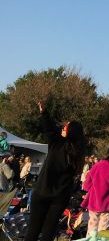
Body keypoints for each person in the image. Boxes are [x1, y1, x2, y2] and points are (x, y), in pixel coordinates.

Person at [24, 101, 88, 241]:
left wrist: (44, 112)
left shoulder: (57, 144)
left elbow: (49, 128)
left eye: (65, 127)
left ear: (69, 131)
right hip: (60, 196)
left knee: (33, 230)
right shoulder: (79, 154)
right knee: (49, 231)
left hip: (42, 192)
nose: (62, 129)